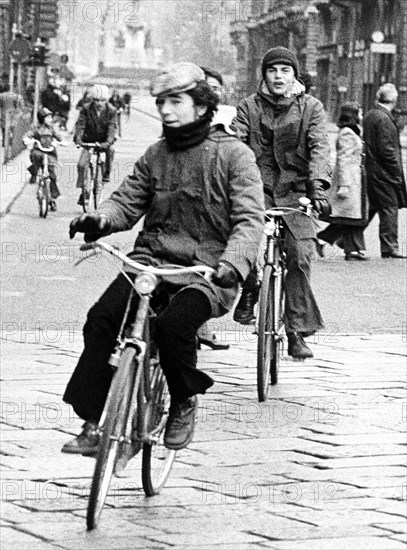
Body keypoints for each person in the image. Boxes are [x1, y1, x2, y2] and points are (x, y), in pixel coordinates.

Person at [61, 63, 264, 455]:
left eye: (176, 101)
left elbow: (249, 220)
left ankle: (184, 400)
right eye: (161, 103)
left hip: (205, 272)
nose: (166, 110)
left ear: (202, 105)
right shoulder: (156, 154)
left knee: (174, 327)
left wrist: (232, 264)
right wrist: (100, 219)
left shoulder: (235, 156)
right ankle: (93, 421)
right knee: (102, 319)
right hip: (150, 265)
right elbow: (126, 200)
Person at [231, 46, 332, 359]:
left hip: (297, 191)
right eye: (272, 70)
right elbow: (235, 143)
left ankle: (296, 331)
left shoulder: (311, 108)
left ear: (294, 75)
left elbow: (319, 149)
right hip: (255, 189)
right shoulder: (249, 106)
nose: (278, 77)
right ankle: (250, 288)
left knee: (300, 257)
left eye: (285, 70)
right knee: (242, 243)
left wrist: (318, 188)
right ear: (264, 74)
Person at [317, 102, 369, 260]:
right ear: (352, 115)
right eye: (359, 112)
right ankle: (324, 238)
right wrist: (344, 185)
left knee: (352, 217)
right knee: (347, 217)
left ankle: (351, 250)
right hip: (350, 181)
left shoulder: (350, 131)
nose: (361, 115)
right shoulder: (347, 133)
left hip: (355, 179)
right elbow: (343, 160)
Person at [363, 83, 407, 259]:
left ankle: (343, 238)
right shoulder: (384, 119)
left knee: (371, 208)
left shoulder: (371, 115)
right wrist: (396, 172)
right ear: (394, 100)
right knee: (389, 207)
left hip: (372, 170)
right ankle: (390, 247)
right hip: (383, 173)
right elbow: (387, 150)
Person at [74, 84, 117, 205]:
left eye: (102, 100)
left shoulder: (111, 110)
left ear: (106, 100)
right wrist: (79, 139)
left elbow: (112, 127)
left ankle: (106, 174)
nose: (99, 103)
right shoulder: (86, 108)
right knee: (82, 165)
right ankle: (84, 189)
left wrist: (107, 142)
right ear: (92, 100)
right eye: (96, 100)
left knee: (111, 151)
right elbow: (81, 124)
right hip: (89, 140)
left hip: (104, 140)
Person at [23, 107, 64, 210]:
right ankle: (34, 171)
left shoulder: (52, 129)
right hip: (39, 151)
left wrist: (61, 141)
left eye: (50, 117)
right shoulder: (36, 129)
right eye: (48, 117)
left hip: (50, 152)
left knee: (52, 175)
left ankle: (52, 198)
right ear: (42, 119)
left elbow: (58, 136)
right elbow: (29, 135)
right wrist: (27, 139)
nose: (50, 119)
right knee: (36, 156)